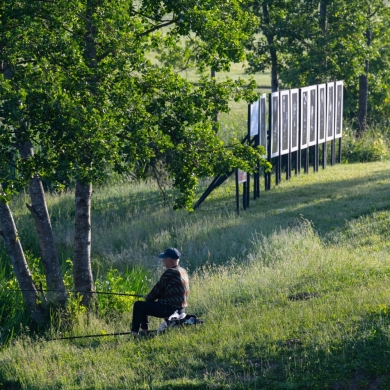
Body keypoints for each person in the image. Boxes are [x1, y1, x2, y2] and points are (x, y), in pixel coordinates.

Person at [131, 247, 189, 336]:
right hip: (181, 310)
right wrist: (150, 297)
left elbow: (156, 291)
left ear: (170, 260)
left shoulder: (170, 272)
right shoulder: (183, 271)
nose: (163, 261)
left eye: (164, 258)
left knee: (139, 305)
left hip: (169, 309)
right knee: (145, 305)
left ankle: (135, 333)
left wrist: (149, 297)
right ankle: (144, 331)